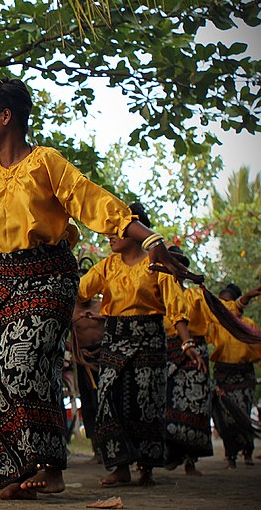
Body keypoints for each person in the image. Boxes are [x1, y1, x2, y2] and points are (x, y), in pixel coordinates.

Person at [0, 78, 189, 500]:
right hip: (0, 281)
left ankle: (50, 467)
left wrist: (150, 237)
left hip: (48, 276)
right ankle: (16, 471)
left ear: (5, 118)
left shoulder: (46, 162)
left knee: (24, 362)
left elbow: (92, 200)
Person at [78, 203, 204, 487]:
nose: (109, 237)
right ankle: (119, 466)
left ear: (136, 233)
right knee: (108, 396)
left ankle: (146, 467)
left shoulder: (158, 265)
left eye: (116, 232)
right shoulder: (106, 266)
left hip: (149, 337)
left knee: (146, 401)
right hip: (115, 337)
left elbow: (175, 308)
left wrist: (187, 344)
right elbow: (81, 291)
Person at [161, 247, 213, 476]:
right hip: (168, 352)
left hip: (195, 352)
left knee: (196, 404)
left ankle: (191, 460)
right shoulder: (158, 292)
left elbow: (218, 317)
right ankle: (172, 454)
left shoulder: (196, 296)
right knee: (167, 403)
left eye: (179, 263)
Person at [208, 282, 261, 468]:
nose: (224, 308)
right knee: (225, 418)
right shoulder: (216, 325)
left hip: (244, 377)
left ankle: (248, 452)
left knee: (243, 415)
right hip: (224, 375)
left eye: (227, 303)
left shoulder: (249, 325)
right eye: (221, 303)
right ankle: (231, 456)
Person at [70, 257, 105, 463]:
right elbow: (69, 336)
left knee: (106, 401)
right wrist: (79, 357)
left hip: (104, 357)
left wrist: (100, 318)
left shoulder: (103, 305)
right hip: (82, 360)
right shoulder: (71, 310)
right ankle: (96, 449)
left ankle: (111, 446)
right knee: (89, 403)